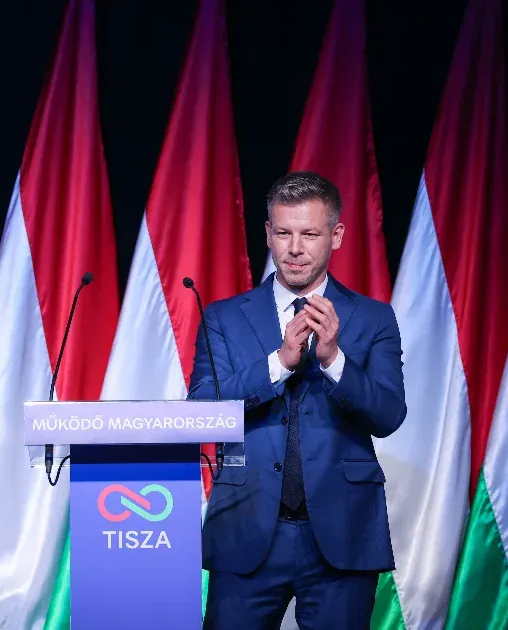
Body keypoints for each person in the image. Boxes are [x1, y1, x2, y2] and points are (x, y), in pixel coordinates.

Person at [189, 171, 407, 628]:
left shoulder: (373, 318)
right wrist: (280, 363)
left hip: (342, 534)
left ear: (336, 235)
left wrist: (333, 361)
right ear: (268, 233)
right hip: (245, 527)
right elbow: (202, 412)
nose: (294, 248)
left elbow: (389, 415)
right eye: (284, 233)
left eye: (309, 234)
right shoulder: (224, 317)